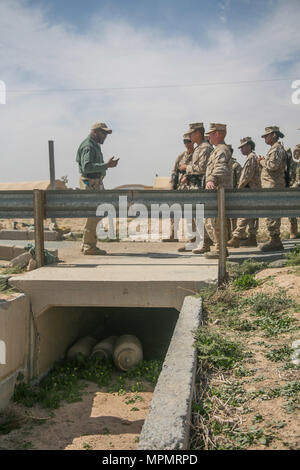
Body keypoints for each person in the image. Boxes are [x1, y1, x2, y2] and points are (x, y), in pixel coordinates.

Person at [76, 122, 119, 255]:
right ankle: (88, 246)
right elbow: (87, 167)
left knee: (96, 214)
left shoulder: (94, 145)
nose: (105, 136)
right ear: (95, 132)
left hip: (95, 182)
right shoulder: (88, 146)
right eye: (103, 133)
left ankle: (87, 244)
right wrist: (106, 165)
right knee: (95, 213)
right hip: (90, 182)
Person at [177, 123, 214, 253]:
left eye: (192, 133)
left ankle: (205, 243)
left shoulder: (204, 148)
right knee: (195, 216)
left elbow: (202, 168)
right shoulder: (199, 148)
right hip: (194, 185)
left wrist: (186, 168)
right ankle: (199, 242)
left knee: (200, 217)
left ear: (198, 133)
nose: (190, 136)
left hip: (200, 186)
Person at [204, 123, 233, 259]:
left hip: (219, 191)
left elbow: (221, 168)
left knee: (217, 222)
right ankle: (219, 248)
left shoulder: (222, 150)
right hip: (216, 192)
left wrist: (212, 179)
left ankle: (220, 249)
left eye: (211, 133)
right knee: (212, 221)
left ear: (218, 134)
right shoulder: (217, 150)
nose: (208, 136)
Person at [227, 137, 261, 247]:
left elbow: (246, 176)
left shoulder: (251, 158)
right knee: (252, 215)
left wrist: (239, 189)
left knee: (246, 214)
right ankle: (252, 238)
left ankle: (236, 237)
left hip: (250, 190)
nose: (241, 150)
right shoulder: (252, 157)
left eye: (243, 147)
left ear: (249, 146)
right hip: (253, 190)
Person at [258, 126, 286, 252]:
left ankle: (275, 241)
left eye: (267, 136)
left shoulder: (277, 149)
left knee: (272, 214)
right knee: (271, 213)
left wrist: (262, 162)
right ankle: (274, 239)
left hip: (273, 186)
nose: (265, 138)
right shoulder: (274, 149)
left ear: (274, 135)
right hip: (271, 185)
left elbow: (273, 166)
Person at [165, 133, 194, 242]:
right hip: (180, 188)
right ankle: (173, 235)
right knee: (174, 212)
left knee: (190, 214)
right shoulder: (181, 156)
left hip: (191, 188)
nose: (187, 144)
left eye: (188, 141)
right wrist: (172, 185)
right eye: (185, 142)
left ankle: (192, 237)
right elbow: (174, 172)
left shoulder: (197, 155)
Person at [228, 144, 242, 237]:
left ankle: (234, 235)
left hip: (233, 193)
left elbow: (239, 180)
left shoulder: (235, 165)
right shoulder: (221, 164)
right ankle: (226, 235)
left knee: (233, 216)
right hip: (223, 193)